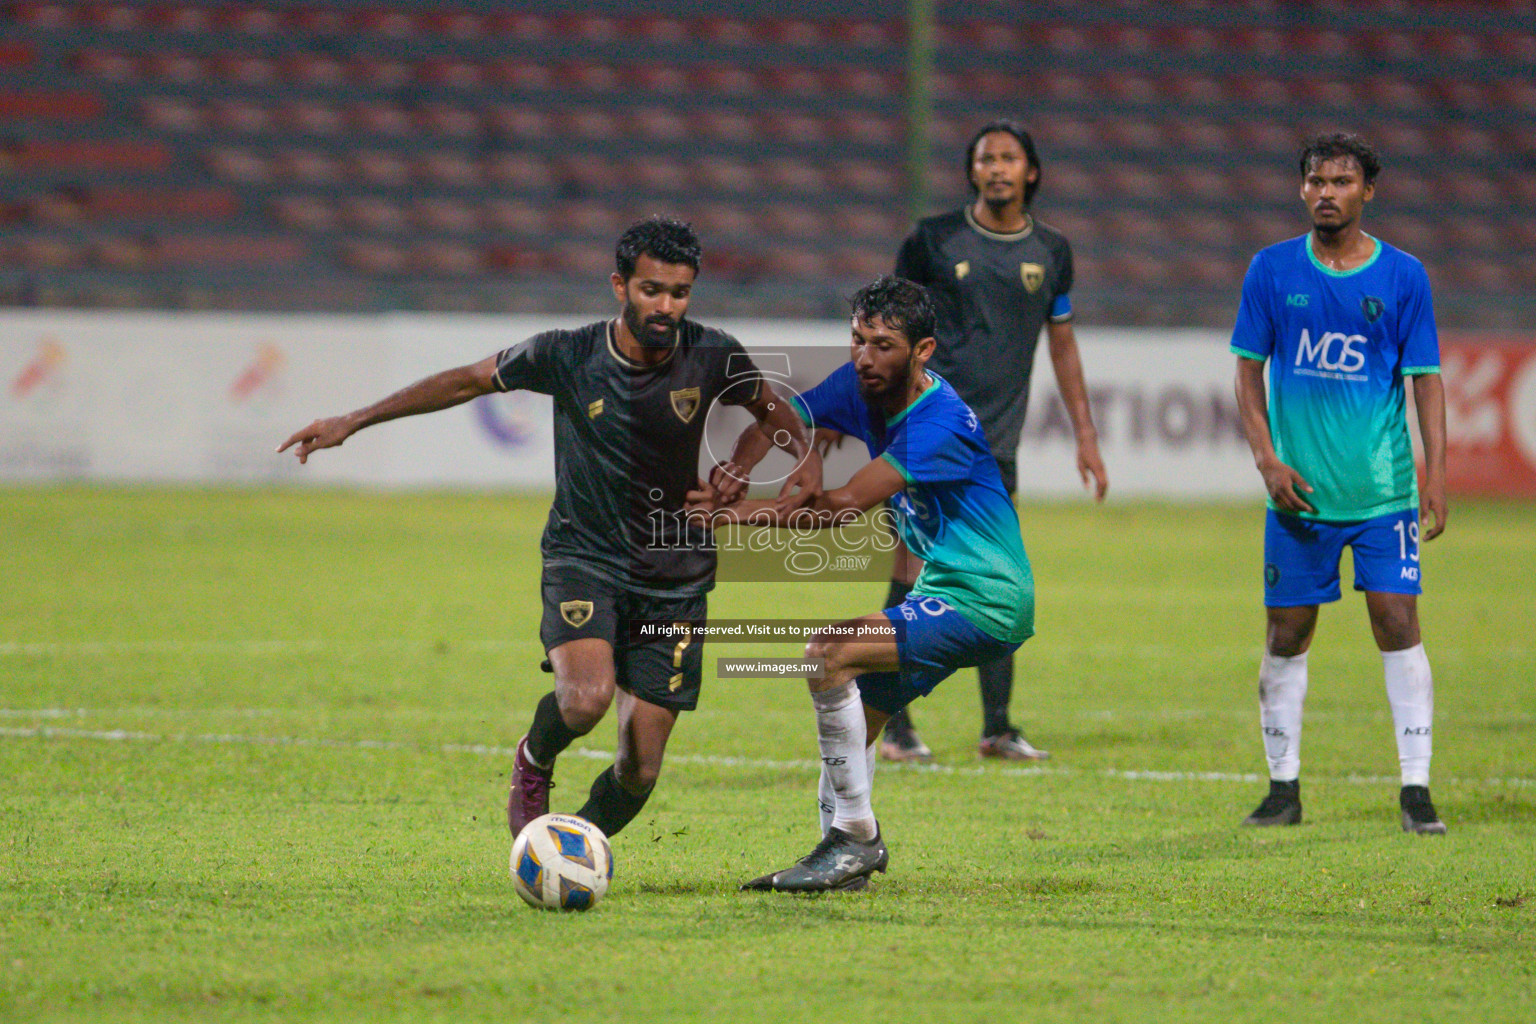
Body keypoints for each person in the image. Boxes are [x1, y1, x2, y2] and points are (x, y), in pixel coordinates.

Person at [278, 216, 821, 843]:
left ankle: (567, 848)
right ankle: (534, 761)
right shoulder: (567, 353)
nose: (666, 306)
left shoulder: (714, 352)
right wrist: (355, 419)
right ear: (620, 285)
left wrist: (746, 462)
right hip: (585, 555)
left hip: (677, 571)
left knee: (640, 768)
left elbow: (778, 416)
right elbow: (465, 381)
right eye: (652, 290)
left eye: (679, 292)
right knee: (584, 700)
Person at [693, 277, 1036, 891]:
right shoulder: (859, 386)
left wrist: (726, 516)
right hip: (947, 588)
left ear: (923, 350)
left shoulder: (941, 422)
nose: (863, 357)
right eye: (857, 339)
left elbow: (840, 508)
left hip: (985, 597)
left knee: (828, 652)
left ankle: (855, 841)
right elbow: (778, 414)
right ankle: (840, 855)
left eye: (883, 345)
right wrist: (741, 466)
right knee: (861, 718)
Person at [869, 119, 1107, 764]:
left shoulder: (1053, 251)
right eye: (986, 158)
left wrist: (1085, 433)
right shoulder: (933, 240)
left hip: (995, 442)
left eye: (1009, 158)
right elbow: (888, 327)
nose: (997, 168)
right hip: (928, 430)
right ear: (971, 170)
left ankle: (997, 727)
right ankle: (893, 724)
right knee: (911, 565)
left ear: (1031, 171)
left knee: (997, 576)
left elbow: (1061, 339)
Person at [1230, 132, 1449, 834]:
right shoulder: (1270, 270)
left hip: (1383, 494)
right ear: (1302, 190)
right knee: (1288, 633)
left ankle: (1416, 790)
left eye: (1342, 182)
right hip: (1298, 496)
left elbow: (1426, 383)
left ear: (1367, 191)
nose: (1327, 192)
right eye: (1316, 180)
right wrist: (1266, 458)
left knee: (1397, 622)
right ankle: (1283, 788)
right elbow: (1246, 372)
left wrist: (1435, 476)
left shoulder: (1404, 276)